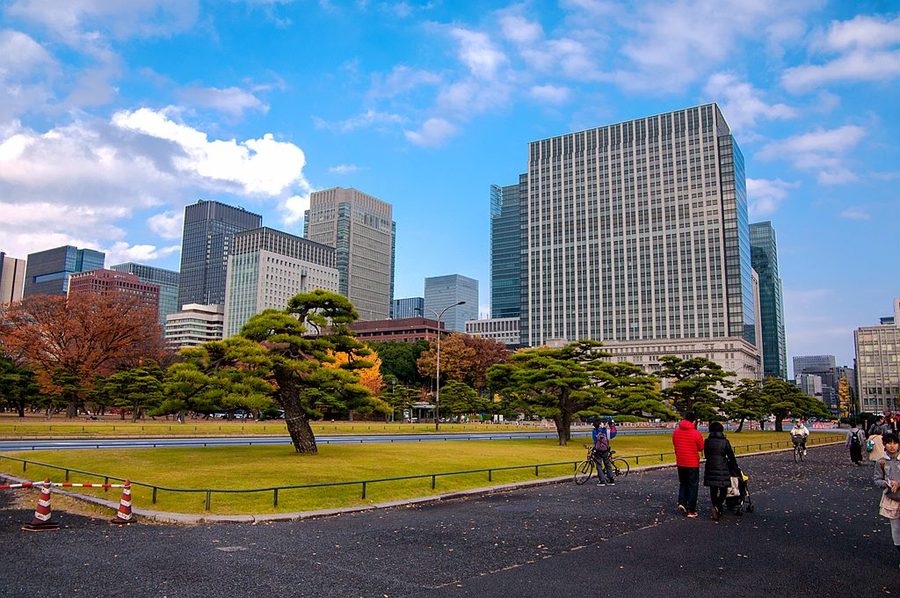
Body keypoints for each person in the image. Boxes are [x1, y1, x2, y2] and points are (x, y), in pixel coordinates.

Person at [872, 432, 900, 568]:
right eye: (889, 443)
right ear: (884, 445)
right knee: (896, 531)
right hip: (891, 499)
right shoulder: (881, 461)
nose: (892, 446)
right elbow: (877, 479)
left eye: (895, 443)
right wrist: (886, 483)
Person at [703, 421, 739, 522]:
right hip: (722, 466)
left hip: (710, 465)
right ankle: (719, 506)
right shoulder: (725, 441)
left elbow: (706, 454)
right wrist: (735, 467)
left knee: (713, 488)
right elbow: (731, 455)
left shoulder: (707, 441)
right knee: (723, 488)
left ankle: (716, 506)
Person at [673, 413, 704, 518]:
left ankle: (682, 502)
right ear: (694, 421)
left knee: (683, 483)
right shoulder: (696, 433)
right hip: (692, 463)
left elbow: (675, 444)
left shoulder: (676, 432)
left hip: (681, 462)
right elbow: (700, 447)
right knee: (693, 485)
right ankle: (691, 510)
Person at [592, 421, 615, 486]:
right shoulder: (604, 430)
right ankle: (611, 479)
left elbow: (595, 440)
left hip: (598, 450)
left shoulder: (594, 431)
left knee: (599, 465)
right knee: (607, 464)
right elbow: (610, 437)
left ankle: (602, 481)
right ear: (600, 424)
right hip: (605, 449)